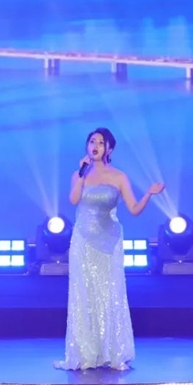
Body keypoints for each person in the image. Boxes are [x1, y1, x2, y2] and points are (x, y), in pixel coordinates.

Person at [54, 127, 165, 371]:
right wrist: (81, 174)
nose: (95, 146)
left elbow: (134, 209)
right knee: (83, 294)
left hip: (109, 241)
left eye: (100, 143)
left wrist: (149, 194)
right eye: (91, 141)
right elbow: (73, 200)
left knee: (108, 293)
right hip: (83, 240)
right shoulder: (79, 174)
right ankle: (86, 353)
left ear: (109, 149)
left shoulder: (119, 177)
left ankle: (112, 352)